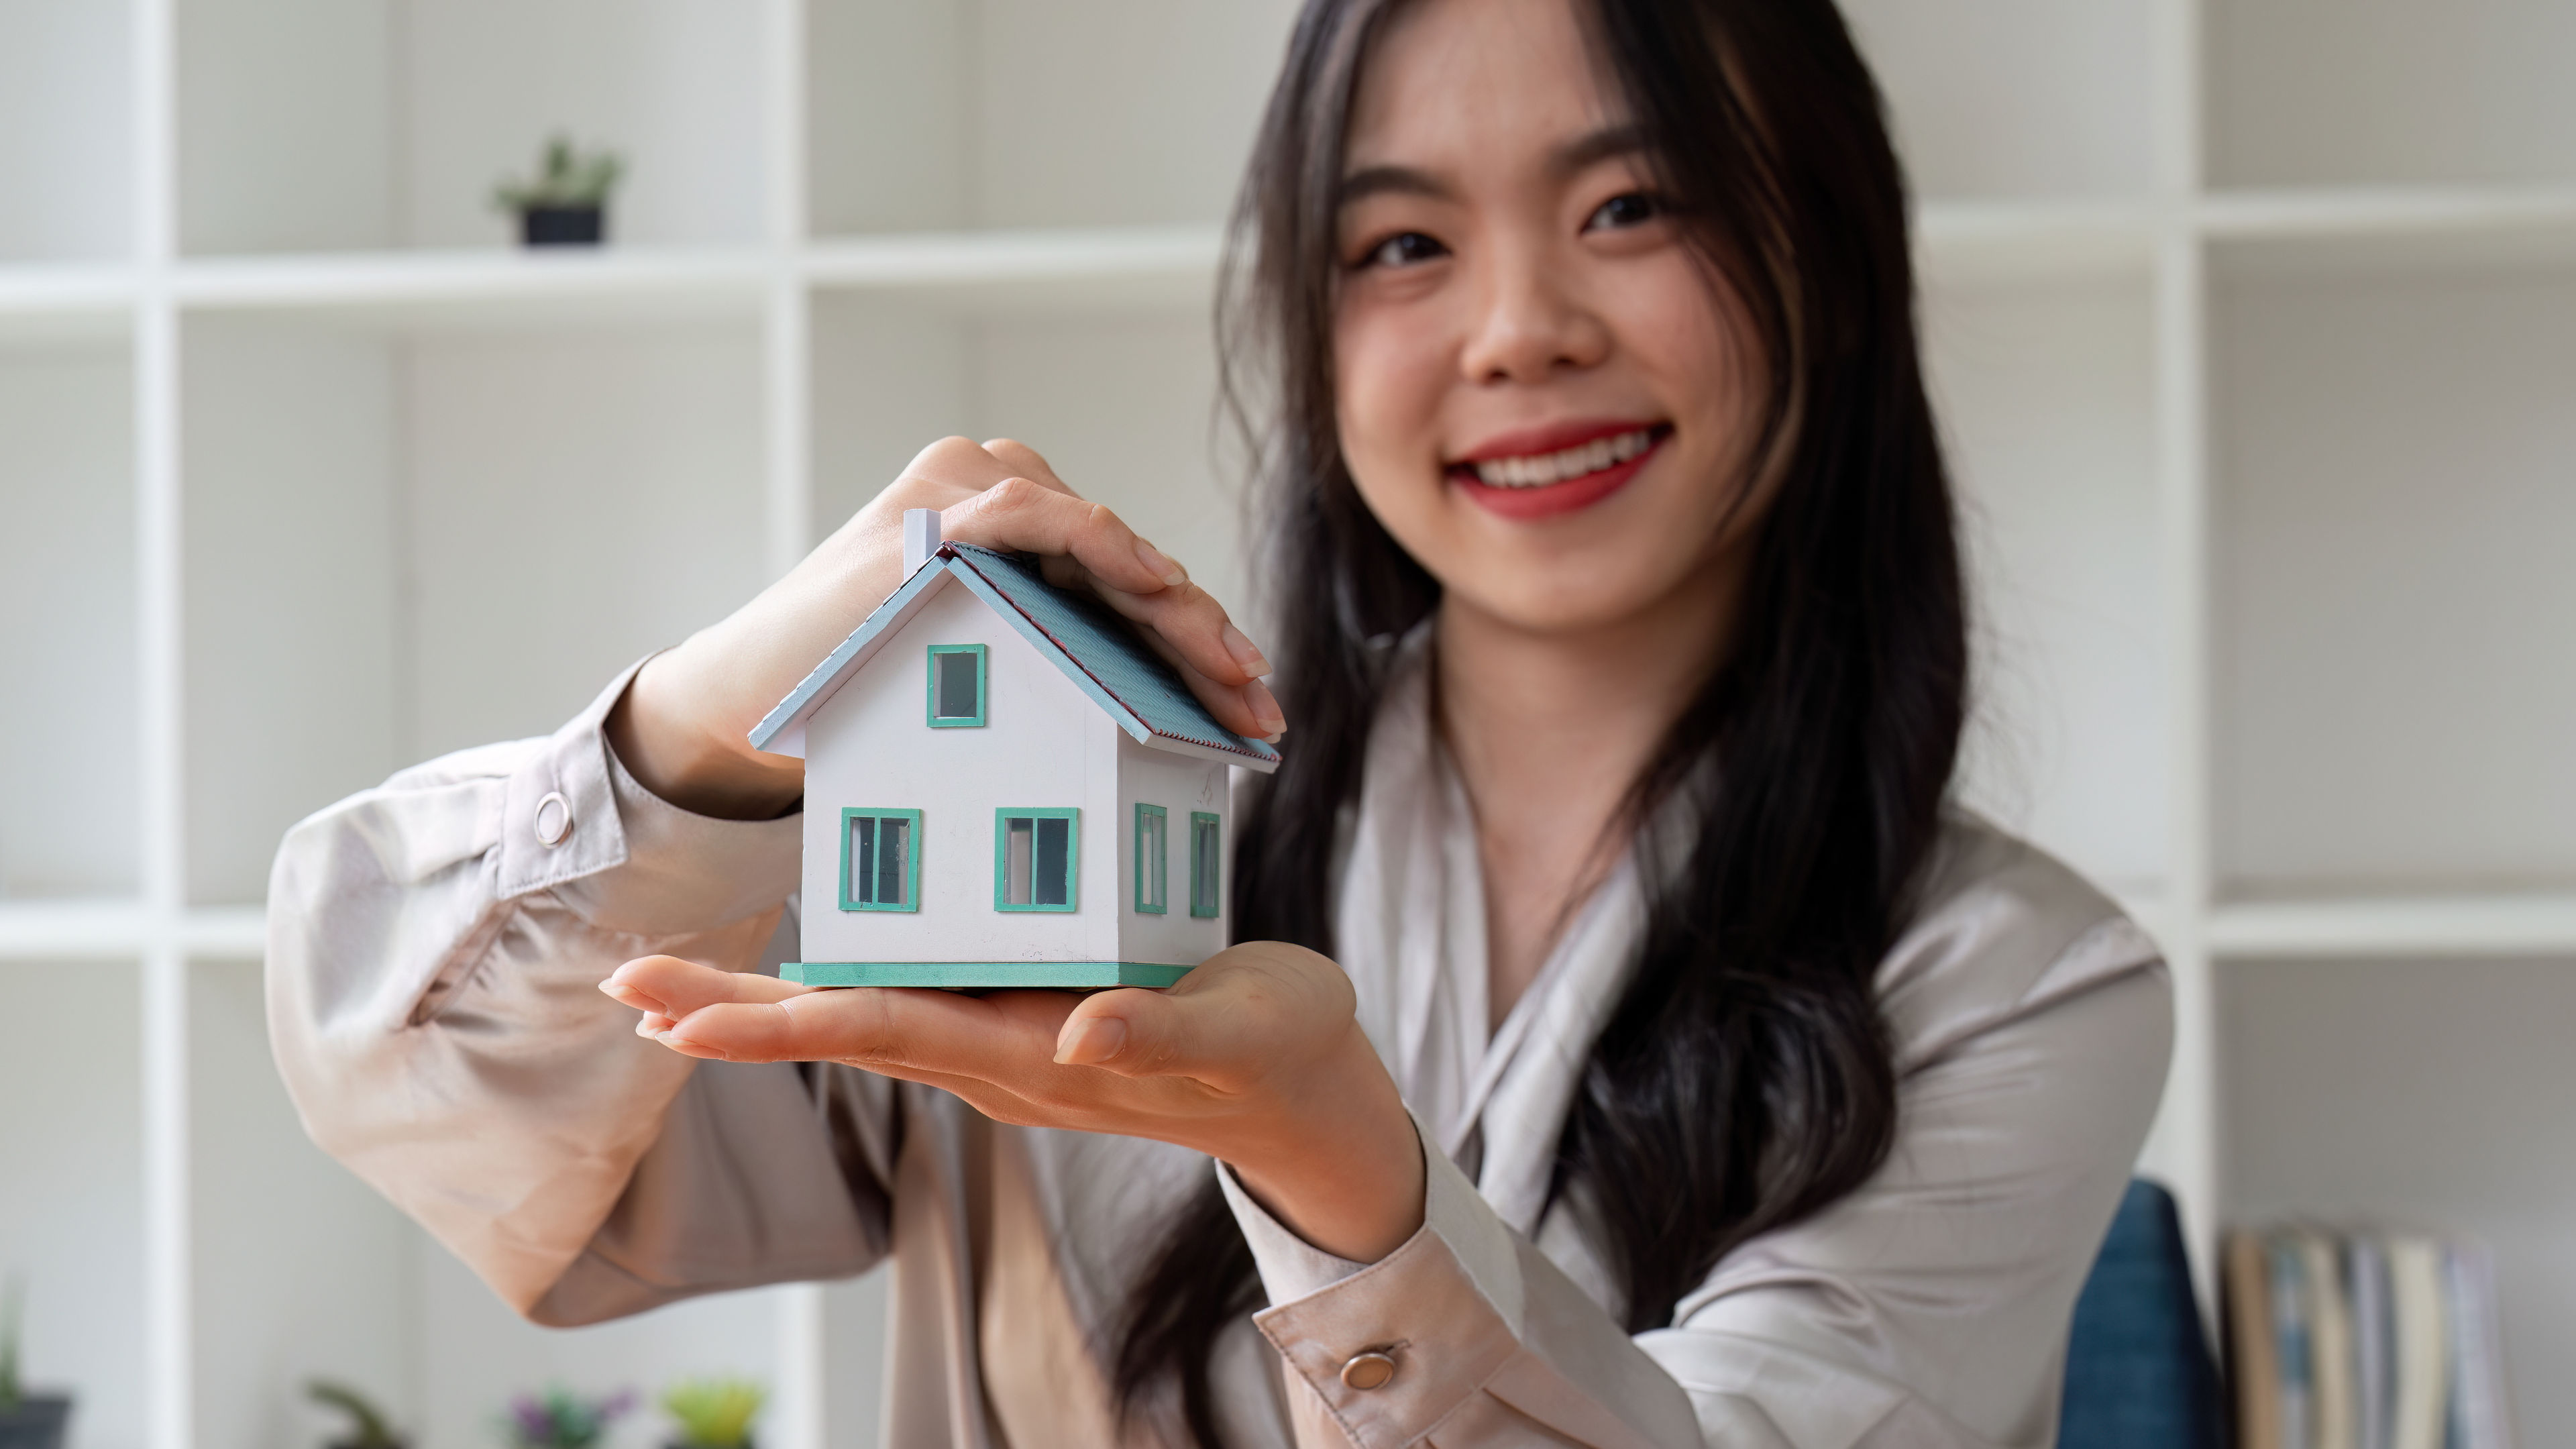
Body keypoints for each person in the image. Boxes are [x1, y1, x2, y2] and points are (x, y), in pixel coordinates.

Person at [267, 0, 2171, 1444]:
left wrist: (1337, 1169)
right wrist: (701, 725)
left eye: (1632, 205)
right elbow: (458, 1132)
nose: (1517, 329)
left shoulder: (2015, 982)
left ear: (1828, 267)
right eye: (1401, 246)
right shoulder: (1047, 815)